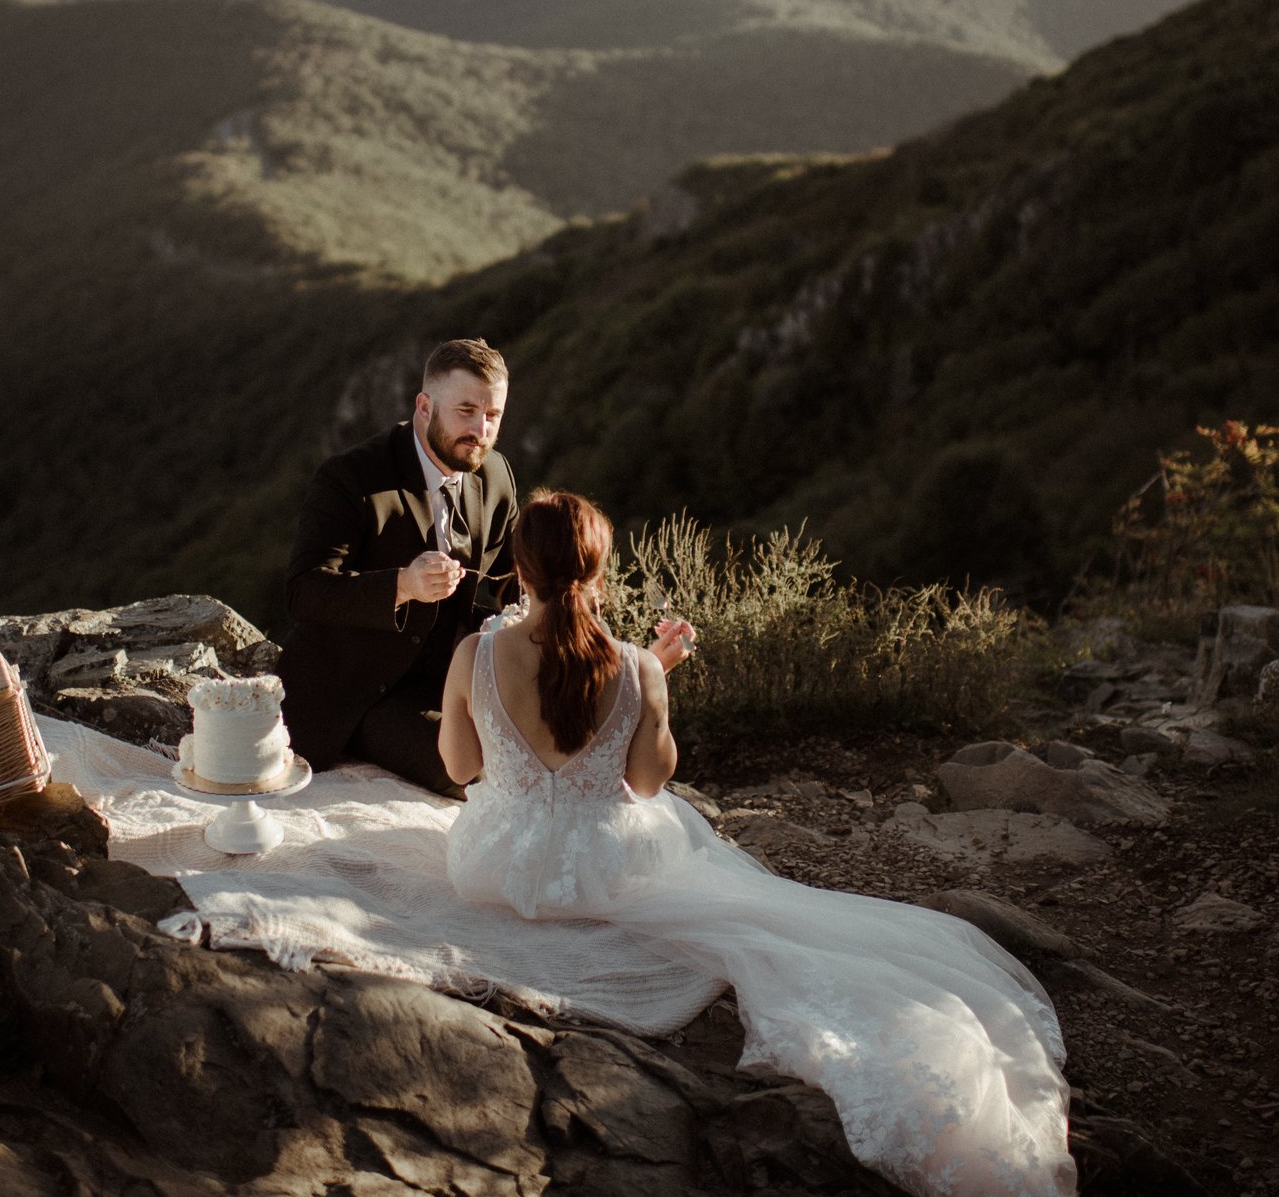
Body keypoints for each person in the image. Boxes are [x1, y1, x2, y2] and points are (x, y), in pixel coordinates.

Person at [436, 490, 1078, 1197]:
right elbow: (647, 782)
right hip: (607, 868)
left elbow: (462, 767)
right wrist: (649, 683)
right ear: (598, 572)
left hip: (499, 866)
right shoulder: (637, 667)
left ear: (520, 571)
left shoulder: (475, 653)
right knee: (701, 856)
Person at [277, 338, 518, 798]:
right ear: (424, 407)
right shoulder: (351, 478)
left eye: (493, 416)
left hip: (447, 683)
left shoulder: (496, 475)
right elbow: (303, 593)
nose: (481, 430)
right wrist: (402, 585)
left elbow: (512, 577)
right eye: (466, 411)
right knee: (473, 773)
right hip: (359, 692)